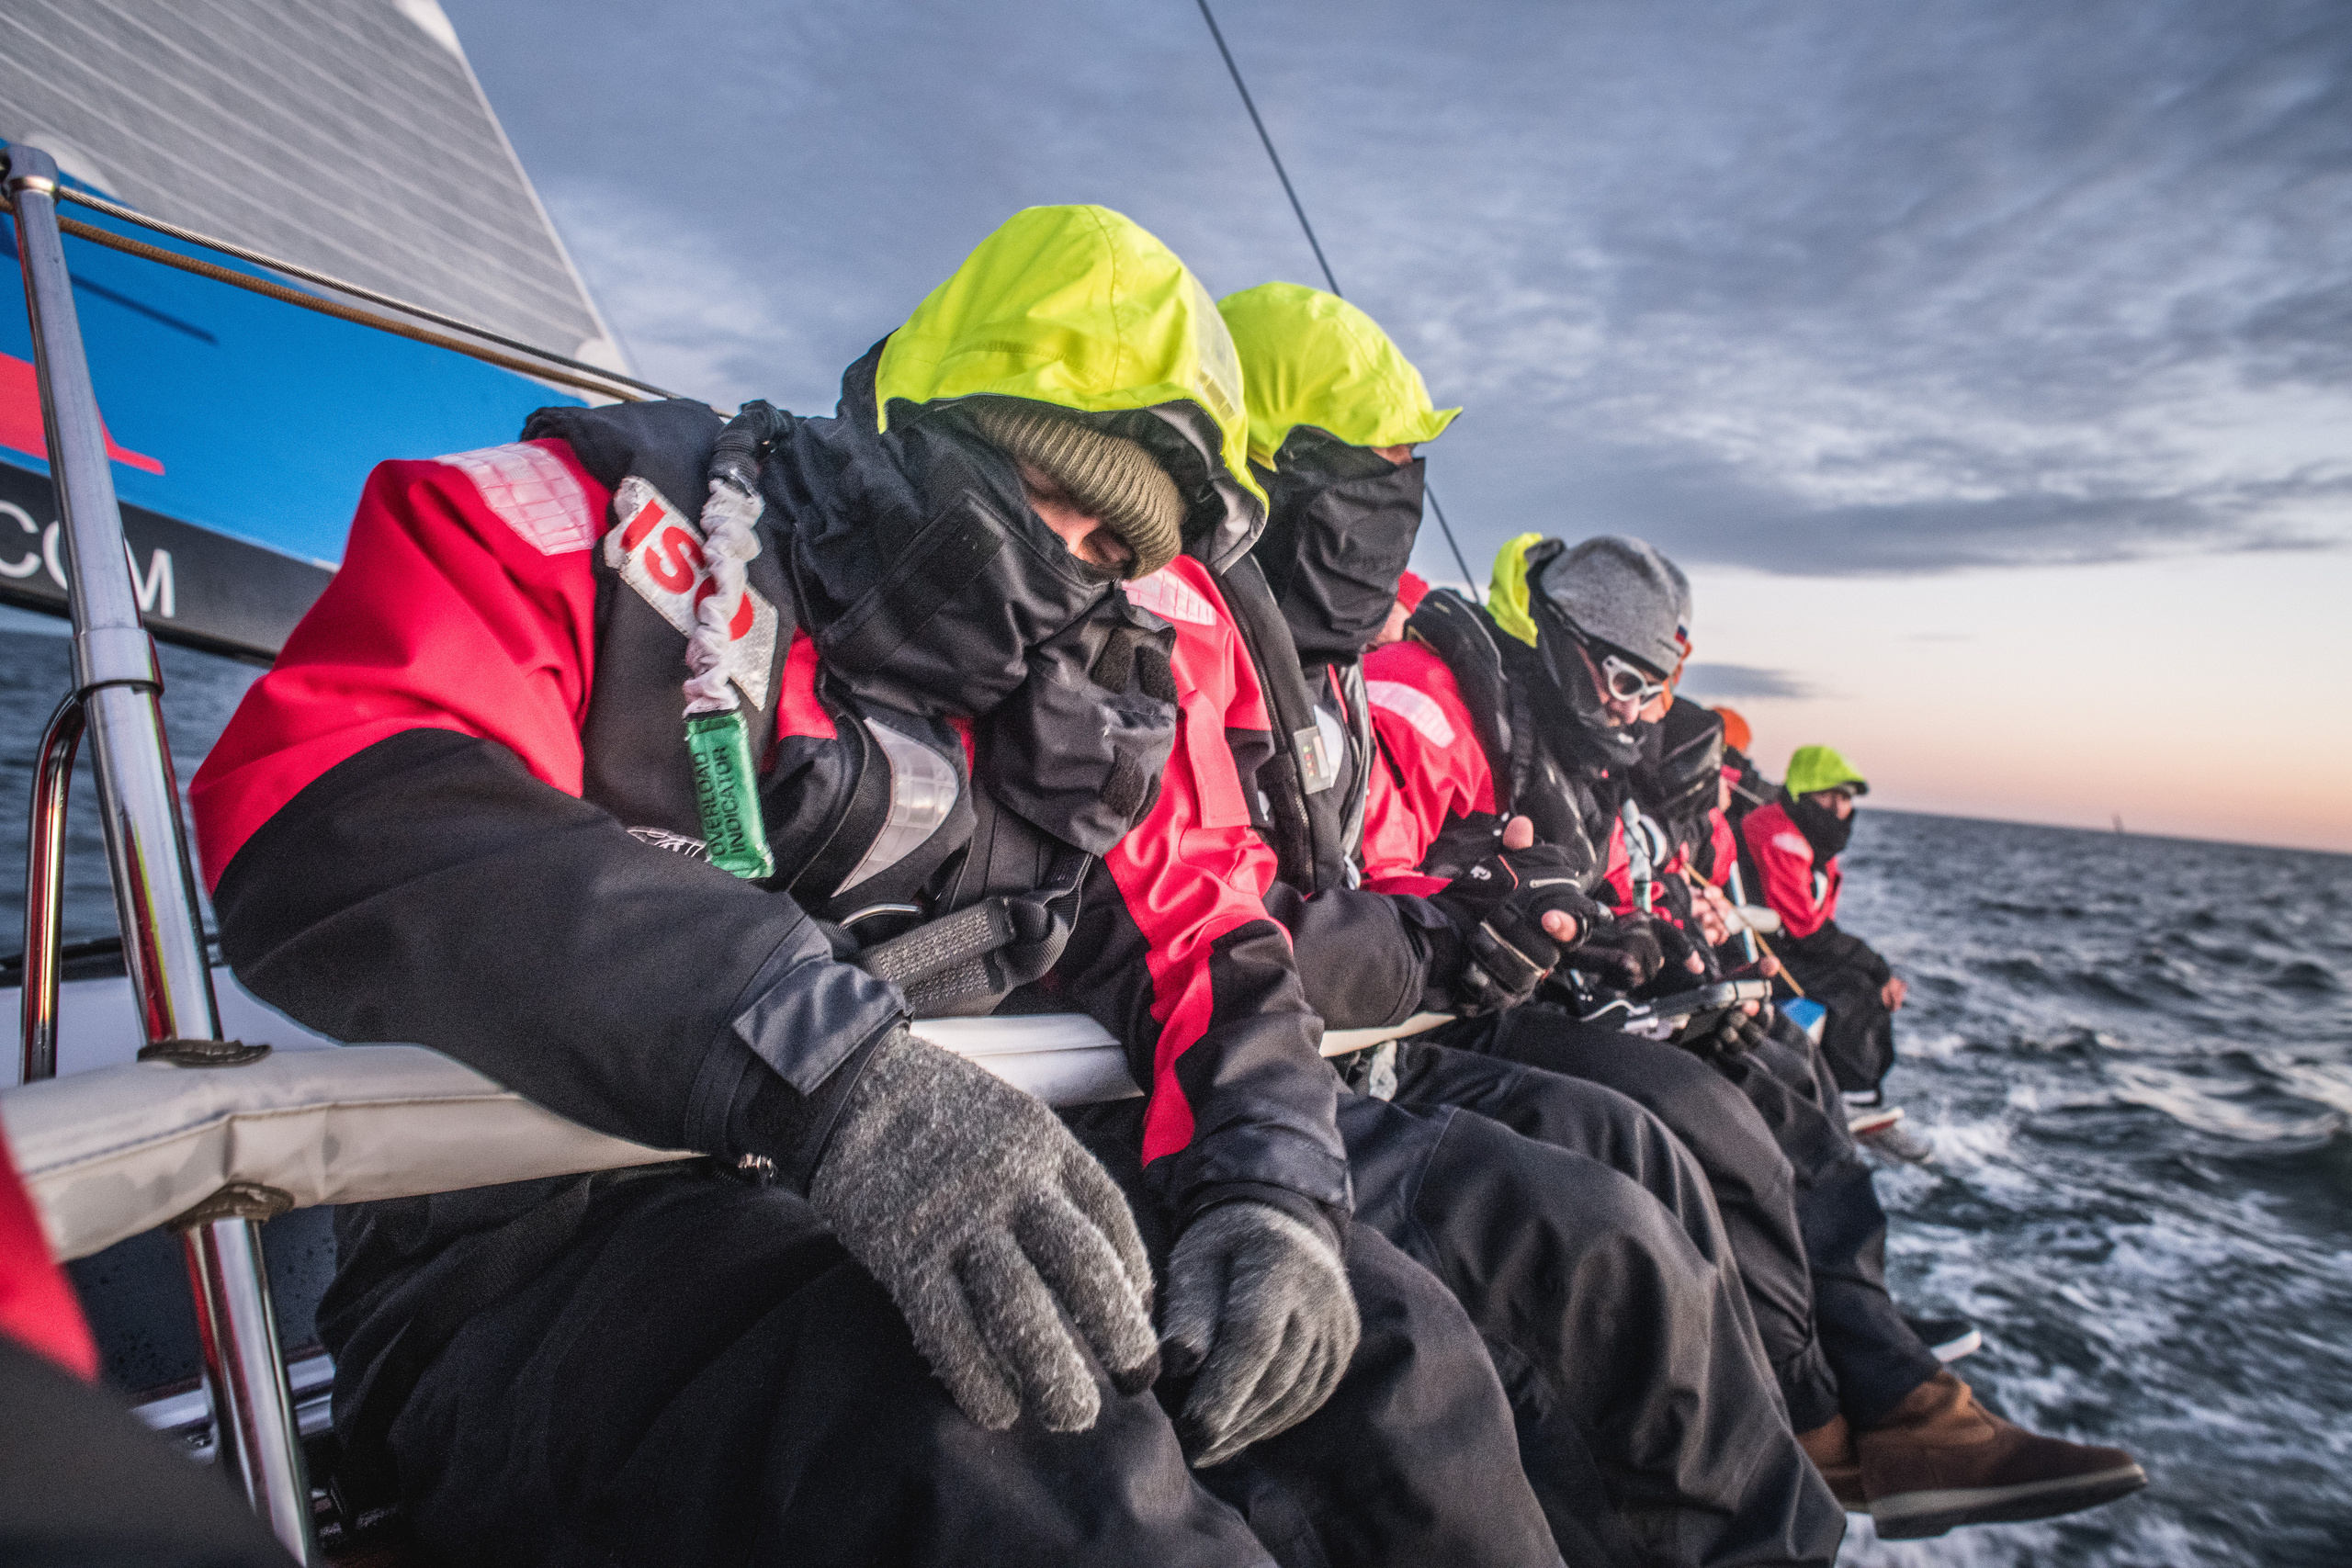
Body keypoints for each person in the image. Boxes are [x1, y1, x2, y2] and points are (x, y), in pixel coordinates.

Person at [190, 207, 1555, 1568]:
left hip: (937, 1186)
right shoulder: (606, 538)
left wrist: (1274, 1192)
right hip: (529, 1246)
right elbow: (329, 794)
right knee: (1044, 1491)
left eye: (1111, 545)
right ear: (928, 420)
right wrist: (836, 1073)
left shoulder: (1074, 696)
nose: (1069, 555)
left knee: (1392, 1356)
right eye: (1049, 485)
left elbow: (1205, 932)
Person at [1212, 281, 1843, 1566]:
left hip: (1337, 1045)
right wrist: (1453, 927)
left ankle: (1813, 1430)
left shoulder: (1318, 668)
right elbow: (1208, 909)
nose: (1398, 504)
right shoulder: (1377, 683)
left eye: (1413, 472)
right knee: (1546, 1273)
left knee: (1661, 1146)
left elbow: (1346, 881)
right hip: (1236, 1085)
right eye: (1375, 469)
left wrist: (1525, 919)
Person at [1359, 536, 2148, 1540]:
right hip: (1464, 1012)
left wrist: (1629, 937)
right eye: (1626, 683)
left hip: (1543, 988)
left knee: (1786, 1075)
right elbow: (1392, 879)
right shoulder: (1437, 701)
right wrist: (1517, 915)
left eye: (1656, 690)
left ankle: (1897, 1395)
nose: (1638, 713)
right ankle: (1809, 1421)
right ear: (1562, 642)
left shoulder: (1564, 751)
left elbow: (1598, 878)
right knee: (1698, 1122)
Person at [1740, 746, 1905, 1098]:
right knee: (1856, 989)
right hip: (1754, 955)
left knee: (1859, 981)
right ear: (1801, 793)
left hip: (1783, 948)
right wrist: (1878, 969)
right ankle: (1852, 1096)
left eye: (1844, 797)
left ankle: (1849, 1094)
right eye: (1826, 794)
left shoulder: (1815, 847)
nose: (1837, 807)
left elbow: (1815, 928)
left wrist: (1877, 971)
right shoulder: (1778, 834)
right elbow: (1807, 931)